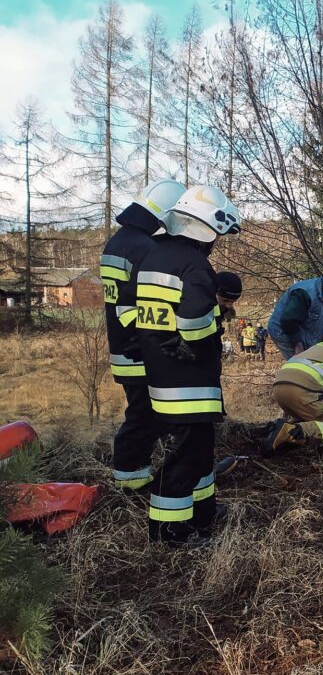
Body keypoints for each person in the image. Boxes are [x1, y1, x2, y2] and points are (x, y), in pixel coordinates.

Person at [135, 184, 241, 543]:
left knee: (198, 452)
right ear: (205, 228)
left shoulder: (155, 257)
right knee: (184, 457)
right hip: (188, 382)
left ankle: (202, 512)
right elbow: (195, 322)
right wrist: (206, 335)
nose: (216, 242)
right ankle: (170, 532)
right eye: (217, 234)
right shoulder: (194, 264)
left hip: (162, 374)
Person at [100, 179, 186, 491]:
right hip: (141, 349)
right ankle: (130, 478)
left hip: (124, 346)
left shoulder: (119, 242)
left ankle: (136, 473)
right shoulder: (144, 248)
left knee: (143, 413)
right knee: (144, 416)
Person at [267, 271, 323, 360]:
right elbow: (289, 320)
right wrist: (298, 345)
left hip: (305, 335)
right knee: (301, 364)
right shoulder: (304, 293)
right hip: (285, 332)